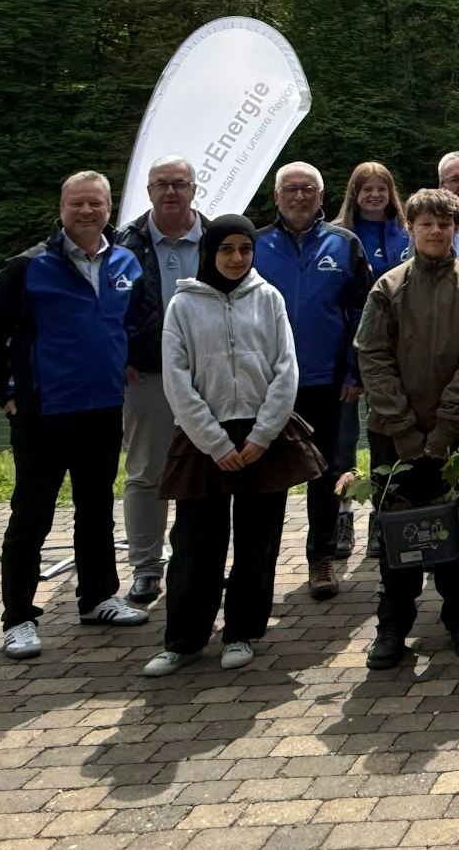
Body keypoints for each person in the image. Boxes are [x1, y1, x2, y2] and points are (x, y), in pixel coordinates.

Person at [0, 171, 154, 659]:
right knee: (31, 515)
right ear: (61, 208)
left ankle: (97, 599)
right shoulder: (28, 267)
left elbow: (134, 319)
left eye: (95, 203)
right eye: (77, 203)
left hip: (102, 408)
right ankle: (18, 618)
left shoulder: (126, 261)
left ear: (109, 207)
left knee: (95, 508)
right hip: (43, 412)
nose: (86, 211)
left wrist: (127, 358)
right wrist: (5, 393)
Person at [144, 214, 315, 676]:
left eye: (245, 249)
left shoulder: (269, 298)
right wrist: (214, 441)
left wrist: (263, 433)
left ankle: (242, 632)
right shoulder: (183, 305)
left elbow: (286, 369)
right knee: (196, 542)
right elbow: (176, 378)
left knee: (258, 541)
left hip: (262, 437)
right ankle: (183, 640)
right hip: (205, 438)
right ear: (209, 252)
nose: (237, 258)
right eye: (227, 249)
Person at [354, 187, 459, 669]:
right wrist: (404, 429)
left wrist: (443, 430)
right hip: (393, 435)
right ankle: (392, 625)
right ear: (411, 229)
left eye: (444, 224)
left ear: (455, 229)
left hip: (457, 434)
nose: (435, 231)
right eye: (426, 224)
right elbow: (373, 358)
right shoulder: (387, 287)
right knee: (399, 531)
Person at [252, 162, 373, 602]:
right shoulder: (255, 244)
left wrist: (354, 371)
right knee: (267, 475)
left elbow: (362, 313)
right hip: (267, 383)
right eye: (291, 189)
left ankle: (321, 557)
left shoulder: (345, 243)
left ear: (321, 196)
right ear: (277, 196)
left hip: (327, 379)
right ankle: (258, 565)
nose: (299, 196)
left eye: (308, 189)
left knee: (326, 472)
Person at [114, 155, 204, 607]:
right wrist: (121, 356)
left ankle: (199, 563)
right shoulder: (123, 243)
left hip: (208, 378)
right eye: (161, 184)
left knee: (204, 472)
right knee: (146, 474)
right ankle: (147, 568)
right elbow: (104, 308)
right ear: (148, 190)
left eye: (179, 183)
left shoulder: (218, 239)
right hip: (147, 374)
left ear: (194, 189)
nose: (170, 191)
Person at [331, 161, 409, 560]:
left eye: (382, 188)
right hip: (348, 352)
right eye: (367, 188)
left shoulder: (406, 233)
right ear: (354, 193)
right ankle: (342, 516)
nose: (375, 195)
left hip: (398, 355)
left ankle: (383, 517)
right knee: (344, 444)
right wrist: (350, 365)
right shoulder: (338, 236)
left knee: (386, 440)